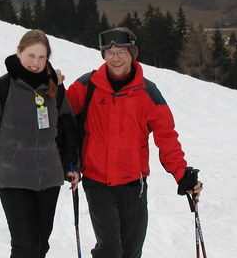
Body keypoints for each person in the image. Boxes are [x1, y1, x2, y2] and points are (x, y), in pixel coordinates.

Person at [65, 27, 203, 258]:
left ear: (132, 54)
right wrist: (52, 86)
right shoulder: (88, 85)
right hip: (97, 181)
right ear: (103, 55)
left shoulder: (148, 92)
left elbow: (166, 137)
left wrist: (182, 174)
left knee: (131, 250)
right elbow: (61, 116)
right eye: (110, 53)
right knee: (109, 247)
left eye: (121, 52)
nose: (115, 58)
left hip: (133, 185)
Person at [0, 29, 80, 258]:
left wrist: (72, 165)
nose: (36, 63)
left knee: (40, 246)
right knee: (25, 246)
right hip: (13, 177)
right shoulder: (0, 87)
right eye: (30, 55)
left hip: (49, 178)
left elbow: (67, 129)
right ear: (18, 53)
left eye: (42, 57)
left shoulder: (53, 89)